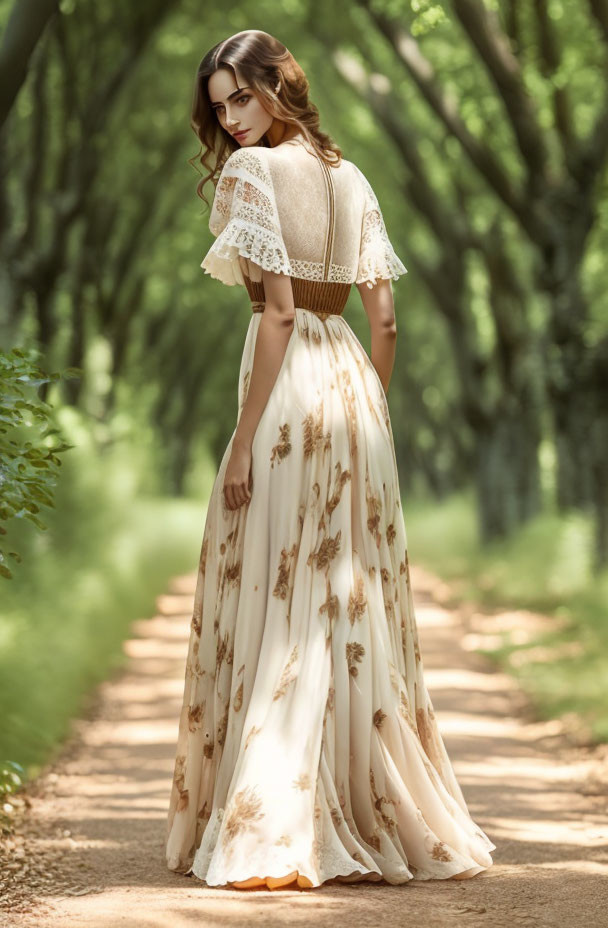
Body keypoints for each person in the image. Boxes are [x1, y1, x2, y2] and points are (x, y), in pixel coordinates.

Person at [165, 29, 496, 891]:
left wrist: (242, 440)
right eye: (220, 107)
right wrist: (373, 407)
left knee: (278, 585)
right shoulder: (353, 179)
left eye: (242, 97)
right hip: (353, 393)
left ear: (280, 84)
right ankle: (367, 800)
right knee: (344, 597)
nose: (232, 121)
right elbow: (383, 320)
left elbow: (276, 316)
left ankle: (276, 815)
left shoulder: (251, 177)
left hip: (287, 396)